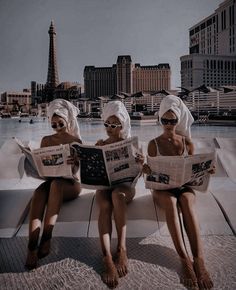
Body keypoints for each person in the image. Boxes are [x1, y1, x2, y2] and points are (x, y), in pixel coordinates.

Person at [143, 95, 214, 289]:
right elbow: (149, 176)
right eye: (164, 120)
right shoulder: (153, 143)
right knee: (171, 203)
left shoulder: (187, 143)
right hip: (162, 190)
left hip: (183, 187)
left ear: (179, 120)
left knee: (186, 202)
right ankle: (184, 259)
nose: (168, 124)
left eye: (172, 121)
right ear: (160, 120)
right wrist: (147, 170)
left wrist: (207, 170)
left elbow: (193, 170)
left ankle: (199, 261)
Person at [25, 99, 82, 270]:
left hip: (70, 183)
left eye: (60, 124)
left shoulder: (75, 140)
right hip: (51, 181)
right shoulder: (46, 140)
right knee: (39, 193)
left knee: (57, 185)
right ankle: (31, 246)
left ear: (68, 121)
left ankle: (47, 237)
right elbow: (43, 170)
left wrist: (75, 161)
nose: (57, 127)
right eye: (54, 125)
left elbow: (78, 170)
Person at [95, 101, 143, 288]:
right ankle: (107, 256)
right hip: (105, 187)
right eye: (106, 124)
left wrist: (140, 162)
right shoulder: (101, 144)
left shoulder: (130, 144)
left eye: (113, 125)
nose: (109, 129)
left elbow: (140, 173)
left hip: (125, 187)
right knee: (105, 206)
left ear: (122, 125)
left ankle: (121, 249)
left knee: (117, 196)